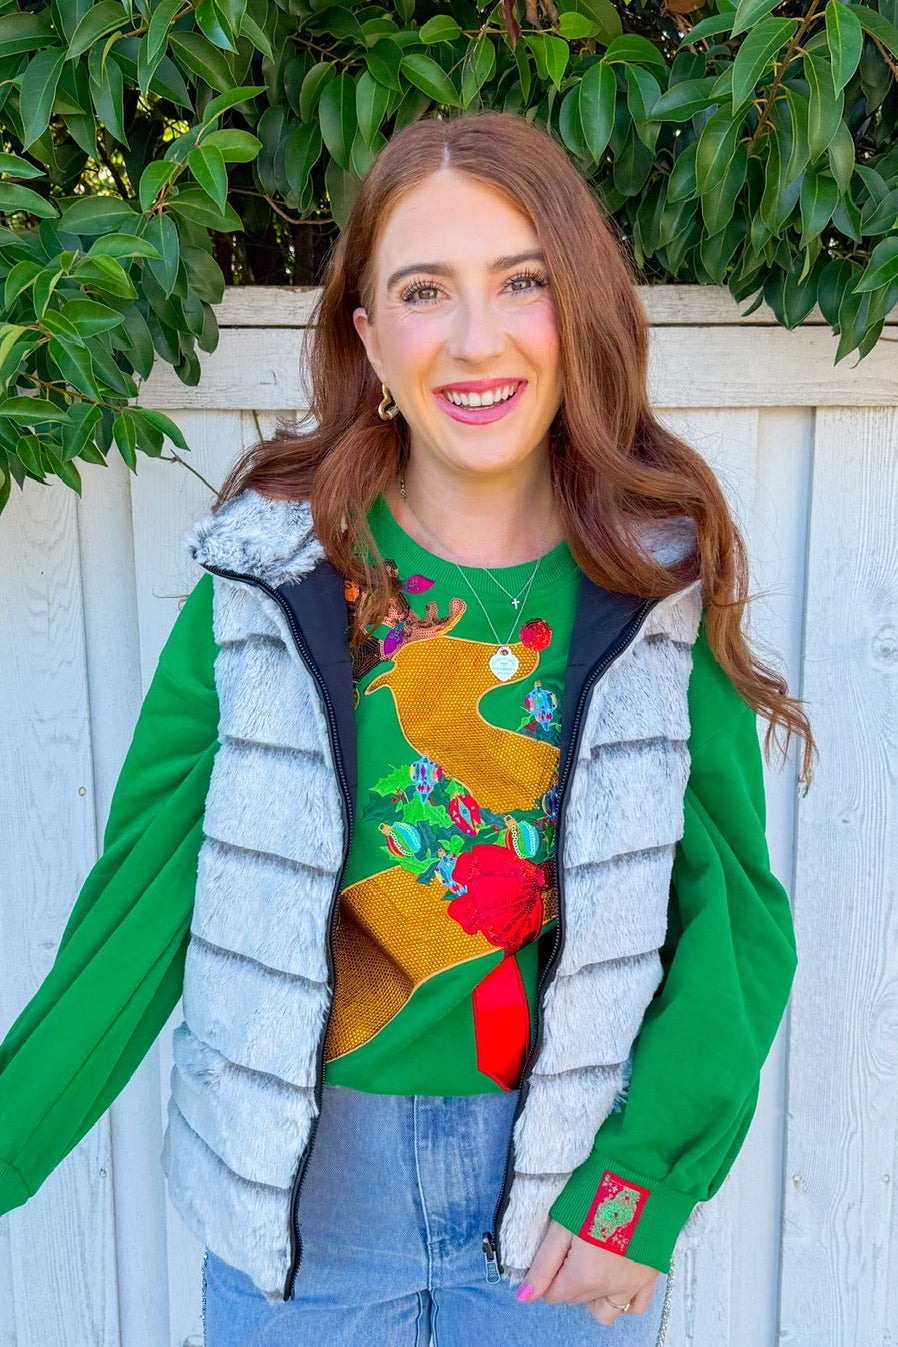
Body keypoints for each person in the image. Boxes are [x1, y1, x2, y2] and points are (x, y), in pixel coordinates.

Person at [0, 110, 813, 1346]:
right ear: (370, 337)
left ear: (581, 311)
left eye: (522, 282)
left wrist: (637, 1189)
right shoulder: (265, 585)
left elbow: (735, 929)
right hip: (303, 1232)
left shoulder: (652, 594)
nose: (476, 338)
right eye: (425, 290)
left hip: (553, 1225)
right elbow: (133, 916)